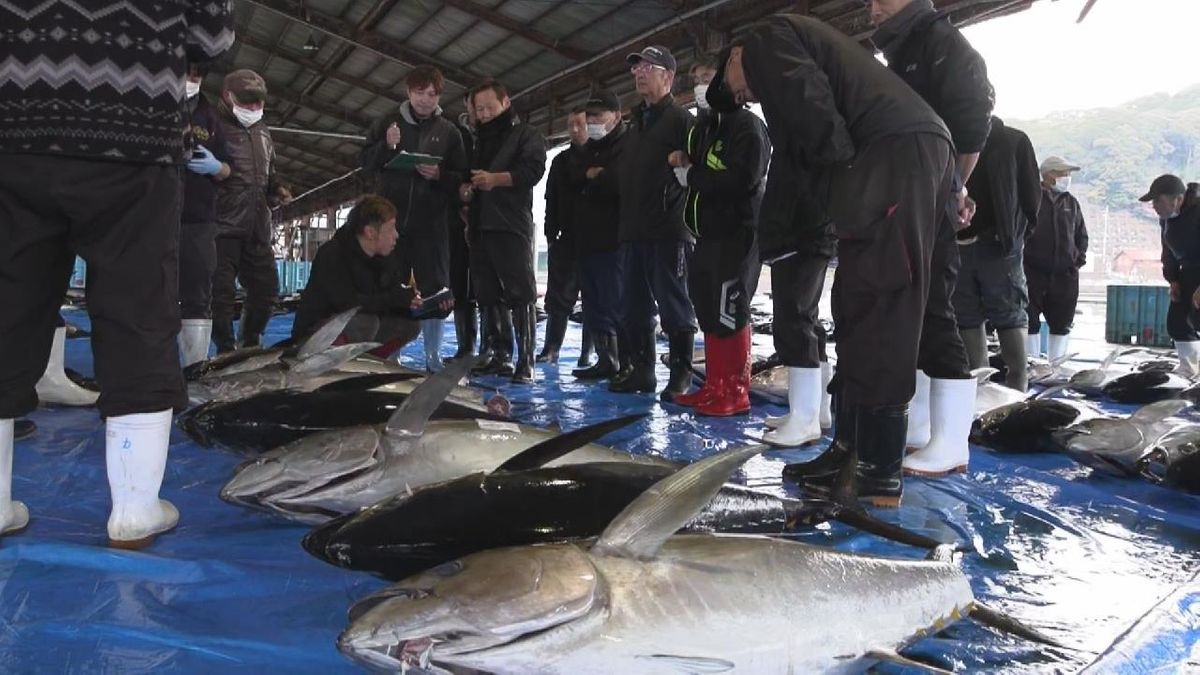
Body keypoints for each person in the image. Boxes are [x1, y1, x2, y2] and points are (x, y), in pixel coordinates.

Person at [0, 0, 234, 546]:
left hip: (16, 132)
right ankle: (133, 509)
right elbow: (213, 38)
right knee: (138, 310)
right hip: (132, 136)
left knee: (6, 308)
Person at [714, 14, 957, 506]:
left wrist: (848, 176)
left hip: (890, 152)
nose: (749, 99)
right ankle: (849, 449)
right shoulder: (800, 43)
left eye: (737, 92)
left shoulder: (763, 39)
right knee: (866, 301)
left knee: (879, 298)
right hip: (912, 149)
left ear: (734, 58)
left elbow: (812, 113)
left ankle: (877, 470)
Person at [868, 0, 995, 476]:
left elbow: (972, 125)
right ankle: (923, 429)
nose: (872, 8)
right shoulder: (903, 52)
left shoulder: (946, 47)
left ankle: (952, 442)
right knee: (915, 312)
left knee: (937, 312)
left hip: (930, 202)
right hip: (907, 201)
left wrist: (951, 189)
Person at [667, 58, 769, 417]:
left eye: (708, 78)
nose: (701, 87)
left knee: (730, 308)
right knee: (707, 306)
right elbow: (698, 163)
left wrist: (693, 175)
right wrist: (684, 158)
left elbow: (744, 180)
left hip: (737, 234)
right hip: (707, 234)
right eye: (696, 79)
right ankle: (713, 385)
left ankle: (735, 390)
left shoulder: (749, 127)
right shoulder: (708, 127)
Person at [361, 66, 467, 372]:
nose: (424, 100)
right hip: (390, 226)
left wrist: (440, 175)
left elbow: (460, 177)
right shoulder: (386, 122)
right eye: (419, 93)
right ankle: (391, 357)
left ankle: (432, 358)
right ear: (408, 93)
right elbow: (366, 163)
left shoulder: (449, 132)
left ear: (439, 96)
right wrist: (387, 146)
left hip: (432, 225)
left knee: (436, 291)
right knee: (391, 288)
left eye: (431, 94)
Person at [612, 45, 698, 399]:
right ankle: (643, 372)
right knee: (633, 305)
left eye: (649, 66)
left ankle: (681, 374)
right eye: (636, 68)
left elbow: (696, 169)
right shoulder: (635, 125)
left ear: (668, 76)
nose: (640, 73)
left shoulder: (682, 121)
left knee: (674, 302)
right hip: (633, 229)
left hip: (669, 228)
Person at [460, 80, 547, 383]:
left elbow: (534, 170)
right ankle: (498, 354)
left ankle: (527, 360)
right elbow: (467, 175)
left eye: (489, 107)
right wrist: (467, 190)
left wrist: (496, 179)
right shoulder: (477, 140)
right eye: (478, 109)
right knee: (487, 293)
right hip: (480, 226)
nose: (483, 114)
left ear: (506, 102)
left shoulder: (526, 134)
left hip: (510, 224)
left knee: (520, 292)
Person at [953, 118, 1041, 391]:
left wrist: (1014, 238)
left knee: (1009, 313)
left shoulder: (1013, 140)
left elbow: (1031, 197)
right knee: (965, 315)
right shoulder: (949, 138)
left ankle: (1017, 389)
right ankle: (978, 396)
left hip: (999, 246)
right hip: (957, 246)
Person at [212, 69, 292, 354]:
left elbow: (270, 174)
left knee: (266, 289)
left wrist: (278, 188)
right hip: (220, 229)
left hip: (258, 227)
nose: (254, 109)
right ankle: (223, 348)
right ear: (227, 96)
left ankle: (249, 340)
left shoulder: (263, 132)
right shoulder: (212, 126)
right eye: (247, 102)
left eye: (259, 103)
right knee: (219, 296)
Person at [292, 195, 423, 345]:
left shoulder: (386, 258)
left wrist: (412, 304)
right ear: (370, 232)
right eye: (390, 228)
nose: (396, 235)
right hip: (314, 334)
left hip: (359, 326)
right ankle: (328, 362)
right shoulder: (333, 254)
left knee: (409, 325)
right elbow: (346, 303)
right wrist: (394, 299)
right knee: (365, 323)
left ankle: (368, 360)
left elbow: (387, 300)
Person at [571, 91, 629, 381]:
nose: (593, 122)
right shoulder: (587, 149)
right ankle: (606, 359)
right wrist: (591, 175)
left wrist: (596, 177)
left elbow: (619, 181)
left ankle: (624, 362)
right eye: (589, 117)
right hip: (587, 237)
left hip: (615, 238)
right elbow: (575, 177)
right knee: (593, 303)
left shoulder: (627, 144)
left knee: (615, 301)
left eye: (599, 117)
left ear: (617, 116)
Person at [179, 61, 233, 367]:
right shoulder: (153, 100)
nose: (192, 79)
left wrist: (216, 167)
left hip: (198, 218)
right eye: (187, 72)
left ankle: (194, 367)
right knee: (148, 290)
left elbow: (227, 168)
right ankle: (147, 366)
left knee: (198, 294)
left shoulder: (209, 115)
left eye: (197, 74)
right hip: (153, 215)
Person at [539, 108, 590, 366]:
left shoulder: (603, 156)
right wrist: (550, 234)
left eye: (579, 124)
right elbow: (550, 200)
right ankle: (552, 348)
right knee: (558, 297)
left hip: (596, 239)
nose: (574, 129)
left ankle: (589, 353)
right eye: (570, 124)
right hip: (565, 237)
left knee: (595, 298)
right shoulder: (559, 161)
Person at [1025, 156, 1087, 362]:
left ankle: (1056, 366)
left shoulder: (1071, 202)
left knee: (1062, 323)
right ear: (1049, 175)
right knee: (1029, 320)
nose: (1067, 178)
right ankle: (1031, 364)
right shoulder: (1031, 199)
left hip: (1065, 276)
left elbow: (1081, 235)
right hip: (1032, 273)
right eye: (1064, 174)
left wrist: (1077, 261)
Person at [1144, 174, 1200, 375]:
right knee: (1177, 322)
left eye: (1159, 200)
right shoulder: (1165, 219)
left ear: (1178, 198)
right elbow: (1168, 251)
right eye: (1153, 202)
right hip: (1188, 270)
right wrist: (1173, 279)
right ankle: (1190, 369)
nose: (1155, 206)